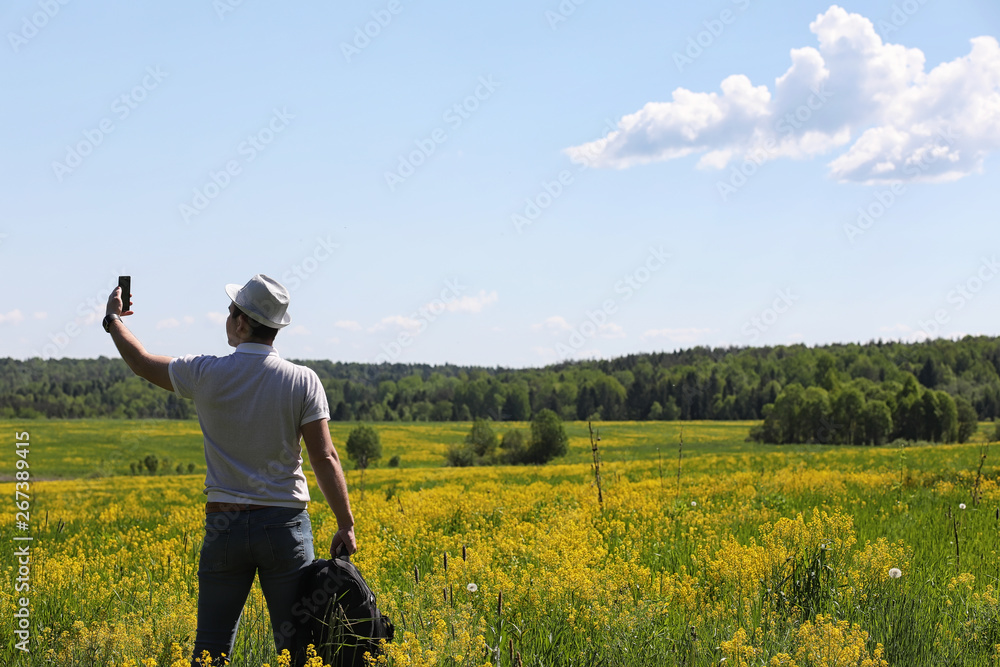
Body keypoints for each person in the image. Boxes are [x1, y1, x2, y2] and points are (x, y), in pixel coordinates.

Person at [103, 274, 356, 666]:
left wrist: (114, 320)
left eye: (230, 311)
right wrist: (345, 523)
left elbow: (140, 362)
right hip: (285, 528)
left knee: (210, 652)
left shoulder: (205, 373)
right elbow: (325, 458)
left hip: (225, 528)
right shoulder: (303, 380)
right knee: (297, 653)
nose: (227, 317)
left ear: (241, 323)